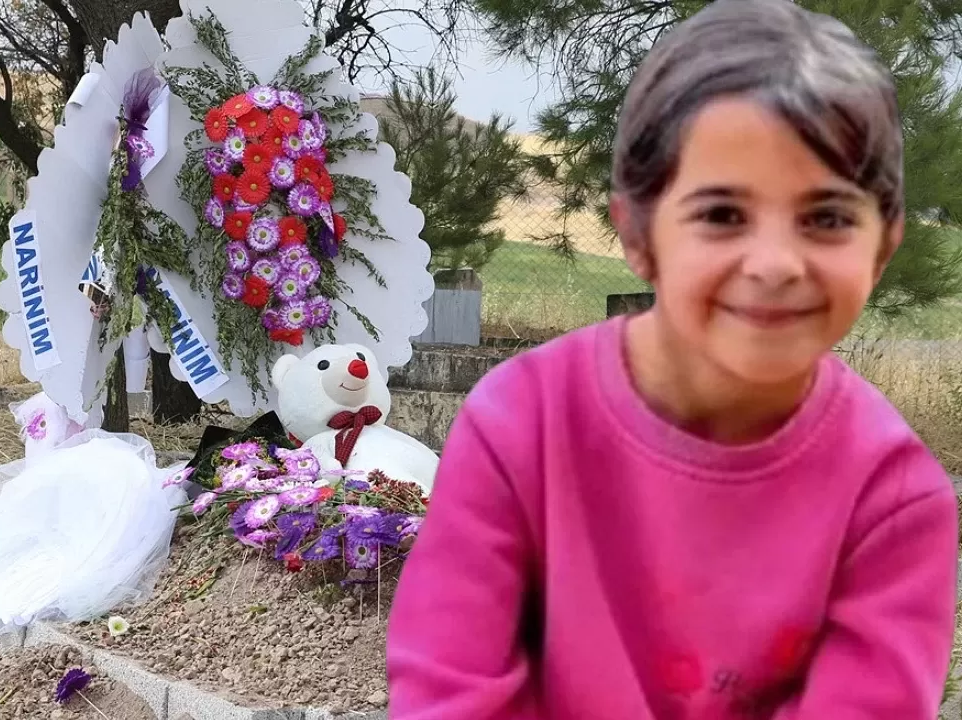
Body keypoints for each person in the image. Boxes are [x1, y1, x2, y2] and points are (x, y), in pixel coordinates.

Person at [385, 1, 960, 718]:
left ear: (883, 244)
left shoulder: (894, 502)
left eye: (827, 217)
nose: (775, 263)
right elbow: (451, 692)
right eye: (722, 214)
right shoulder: (519, 426)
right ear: (636, 233)